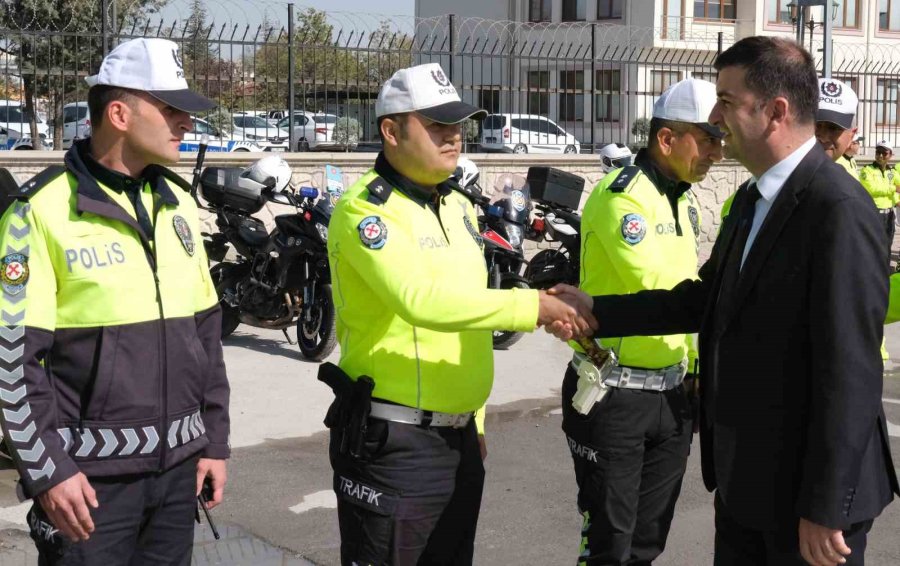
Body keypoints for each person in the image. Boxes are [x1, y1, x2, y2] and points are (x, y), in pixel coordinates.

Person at [548, 36, 899, 566]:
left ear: (775, 112)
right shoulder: (754, 199)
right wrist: (596, 308)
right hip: (748, 482)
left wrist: (827, 504)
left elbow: (850, 370)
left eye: (727, 101)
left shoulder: (838, 208)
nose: (717, 117)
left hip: (808, 500)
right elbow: (702, 299)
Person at [324, 62, 595, 565]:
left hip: (457, 439)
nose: (454, 138)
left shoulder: (456, 206)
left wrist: (475, 422)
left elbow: (467, 313)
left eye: (457, 126)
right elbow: (421, 301)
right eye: (437, 126)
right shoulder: (366, 211)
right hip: (394, 442)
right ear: (391, 130)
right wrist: (533, 305)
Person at [0, 37, 230, 564]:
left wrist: (213, 441)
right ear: (120, 114)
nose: (186, 123)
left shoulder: (176, 207)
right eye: (171, 110)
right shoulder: (38, 212)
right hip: (88, 488)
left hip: (178, 482)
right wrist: (49, 472)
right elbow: (13, 361)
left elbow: (206, 336)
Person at [563, 77, 722, 565]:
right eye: (708, 137)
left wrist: (693, 369)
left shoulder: (686, 199)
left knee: (647, 544)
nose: (718, 152)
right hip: (616, 395)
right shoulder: (622, 196)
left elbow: (686, 284)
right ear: (667, 139)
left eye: (722, 138)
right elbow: (661, 293)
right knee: (610, 545)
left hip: (671, 396)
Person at [860, 140, 900, 258]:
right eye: (878, 152)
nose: (880, 156)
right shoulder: (867, 170)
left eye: (884, 153)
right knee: (873, 246)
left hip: (889, 214)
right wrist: (893, 188)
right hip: (875, 213)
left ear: (891, 155)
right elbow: (872, 189)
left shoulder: (891, 171)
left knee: (887, 245)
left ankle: (884, 272)